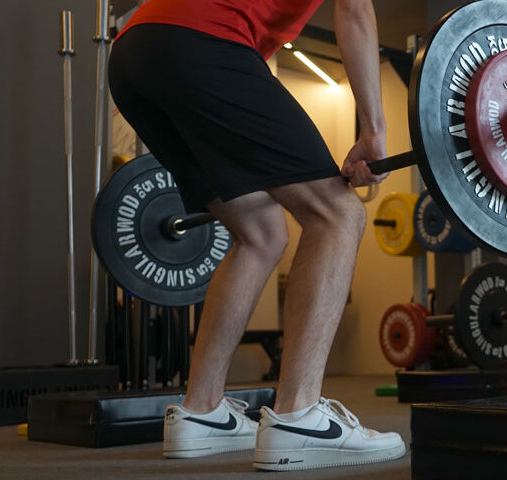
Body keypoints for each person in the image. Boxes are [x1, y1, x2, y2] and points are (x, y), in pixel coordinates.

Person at [108, 0, 403, 472]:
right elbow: (354, 9)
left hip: (134, 55)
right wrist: (373, 130)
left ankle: (201, 411)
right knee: (337, 214)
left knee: (260, 232)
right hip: (202, 39)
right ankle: (300, 417)